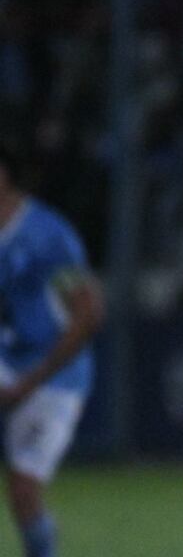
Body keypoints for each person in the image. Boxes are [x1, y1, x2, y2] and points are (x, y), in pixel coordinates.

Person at [0, 142, 104, 557]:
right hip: (7, 364)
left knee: (24, 489)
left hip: (54, 376)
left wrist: (31, 380)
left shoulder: (46, 234)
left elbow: (89, 310)